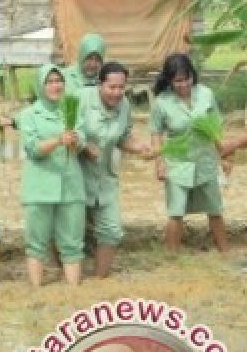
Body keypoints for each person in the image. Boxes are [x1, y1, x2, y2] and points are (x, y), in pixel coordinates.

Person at [78, 61, 152, 277]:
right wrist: (83, 145)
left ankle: (100, 280)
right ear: (99, 85)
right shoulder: (81, 99)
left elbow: (123, 137)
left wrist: (139, 147)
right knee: (69, 231)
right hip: (76, 175)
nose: (117, 92)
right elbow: (65, 128)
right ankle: (69, 280)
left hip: (104, 177)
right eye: (112, 87)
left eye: (122, 87)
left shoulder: (125, 106)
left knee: (111, 230)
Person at [149, 53, 227, 252]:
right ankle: (171, 255)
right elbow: (156, 134)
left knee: (215, 209)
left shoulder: (206, 94)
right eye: (178, 80)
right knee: (176, 211)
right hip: (177, 162)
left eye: (187, 78)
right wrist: (159, 163)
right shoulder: (161, 102)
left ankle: (224, 250)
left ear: (193, 75)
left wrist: (224, 156)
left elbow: (215, 127)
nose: (184, 84)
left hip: (205, 159)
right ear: (169, 80)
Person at [17, 64, 87, 286]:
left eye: (59, 81)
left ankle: (73, 290)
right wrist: (58, 140)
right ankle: (37, 290)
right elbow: (32, 149)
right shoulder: (28, 115)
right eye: (50, 81)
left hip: (71, 183)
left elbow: (82, 145)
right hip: (40, 185)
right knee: (37, 242)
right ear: (40, 85)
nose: (55, 85)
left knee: (73, 240)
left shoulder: (72, 110)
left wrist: (76, 141)